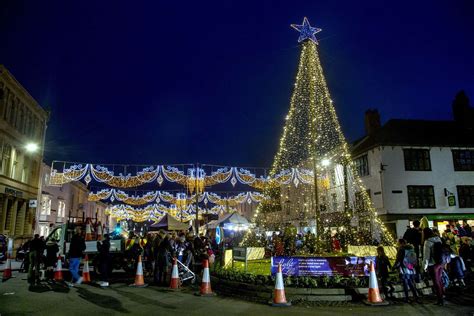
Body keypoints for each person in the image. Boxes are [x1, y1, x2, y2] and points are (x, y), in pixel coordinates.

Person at [423, 227, 446, 306]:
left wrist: (424, 267)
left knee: (436, 282)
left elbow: (426, 256)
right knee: (439, 280)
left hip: (433, 264)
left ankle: (440, 300)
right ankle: (443, 295)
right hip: (441, 262)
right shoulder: (438, 238)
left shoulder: (427, 242)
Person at [394, 239, 420, 303]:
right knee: (410, 282)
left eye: (398, 243)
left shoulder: (401, 250)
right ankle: (415, 296)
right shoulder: (411, 249)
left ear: (402, 243)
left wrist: (394, 267)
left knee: (405, 283)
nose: (398, 244)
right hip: (411, 268)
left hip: (404, 268)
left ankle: (407, 298)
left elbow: (399, 259)